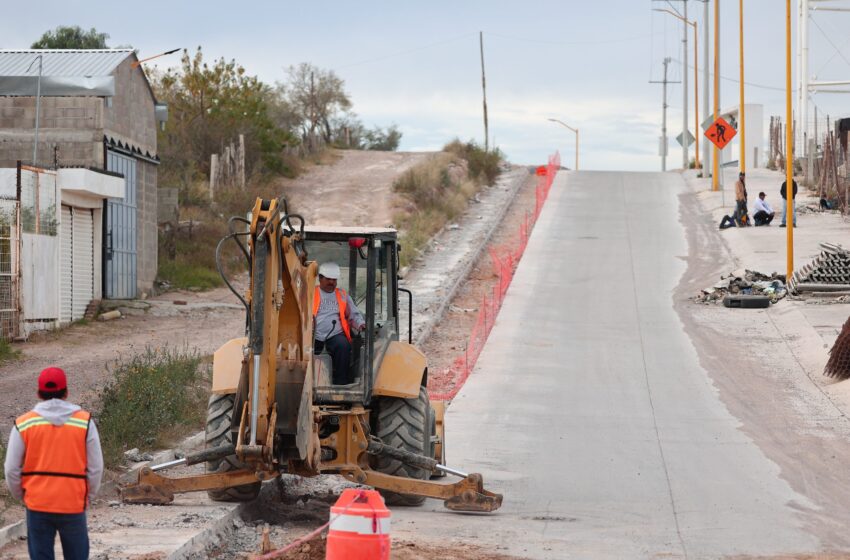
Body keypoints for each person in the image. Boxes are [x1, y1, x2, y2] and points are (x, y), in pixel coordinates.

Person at [4, 367, 103, 560]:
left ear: (38, 393)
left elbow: (11, 469)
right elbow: (96, 468)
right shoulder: (84, 422)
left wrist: (22, 496)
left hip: (38, 504)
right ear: (66, 392)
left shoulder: (24, 424)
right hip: (72, 503)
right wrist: (87, 495)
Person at [313, 262, 366, 385]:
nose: (332, 282)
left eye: (334, 280)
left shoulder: (342, 295)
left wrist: (361, 324)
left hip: (335, 334)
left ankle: (340, 383)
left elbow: (353, 314)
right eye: (328, 279)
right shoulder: (310, 293)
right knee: (304, 350)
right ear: (320, 278)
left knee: (343, 346)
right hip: (313, 334)